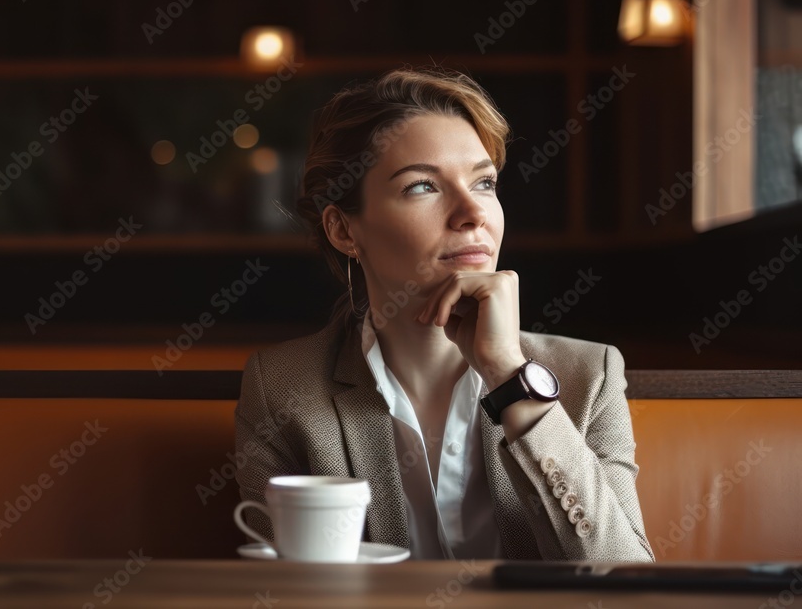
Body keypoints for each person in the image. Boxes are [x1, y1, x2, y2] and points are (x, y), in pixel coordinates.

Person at [234, 67, 654, 561]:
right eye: (422, 187)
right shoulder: (282, 386)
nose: (471, 213)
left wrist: (509, 376)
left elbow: (626, 580)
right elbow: (273, 586)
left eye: (483, 182)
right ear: (344, 231)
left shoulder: (589, 376)